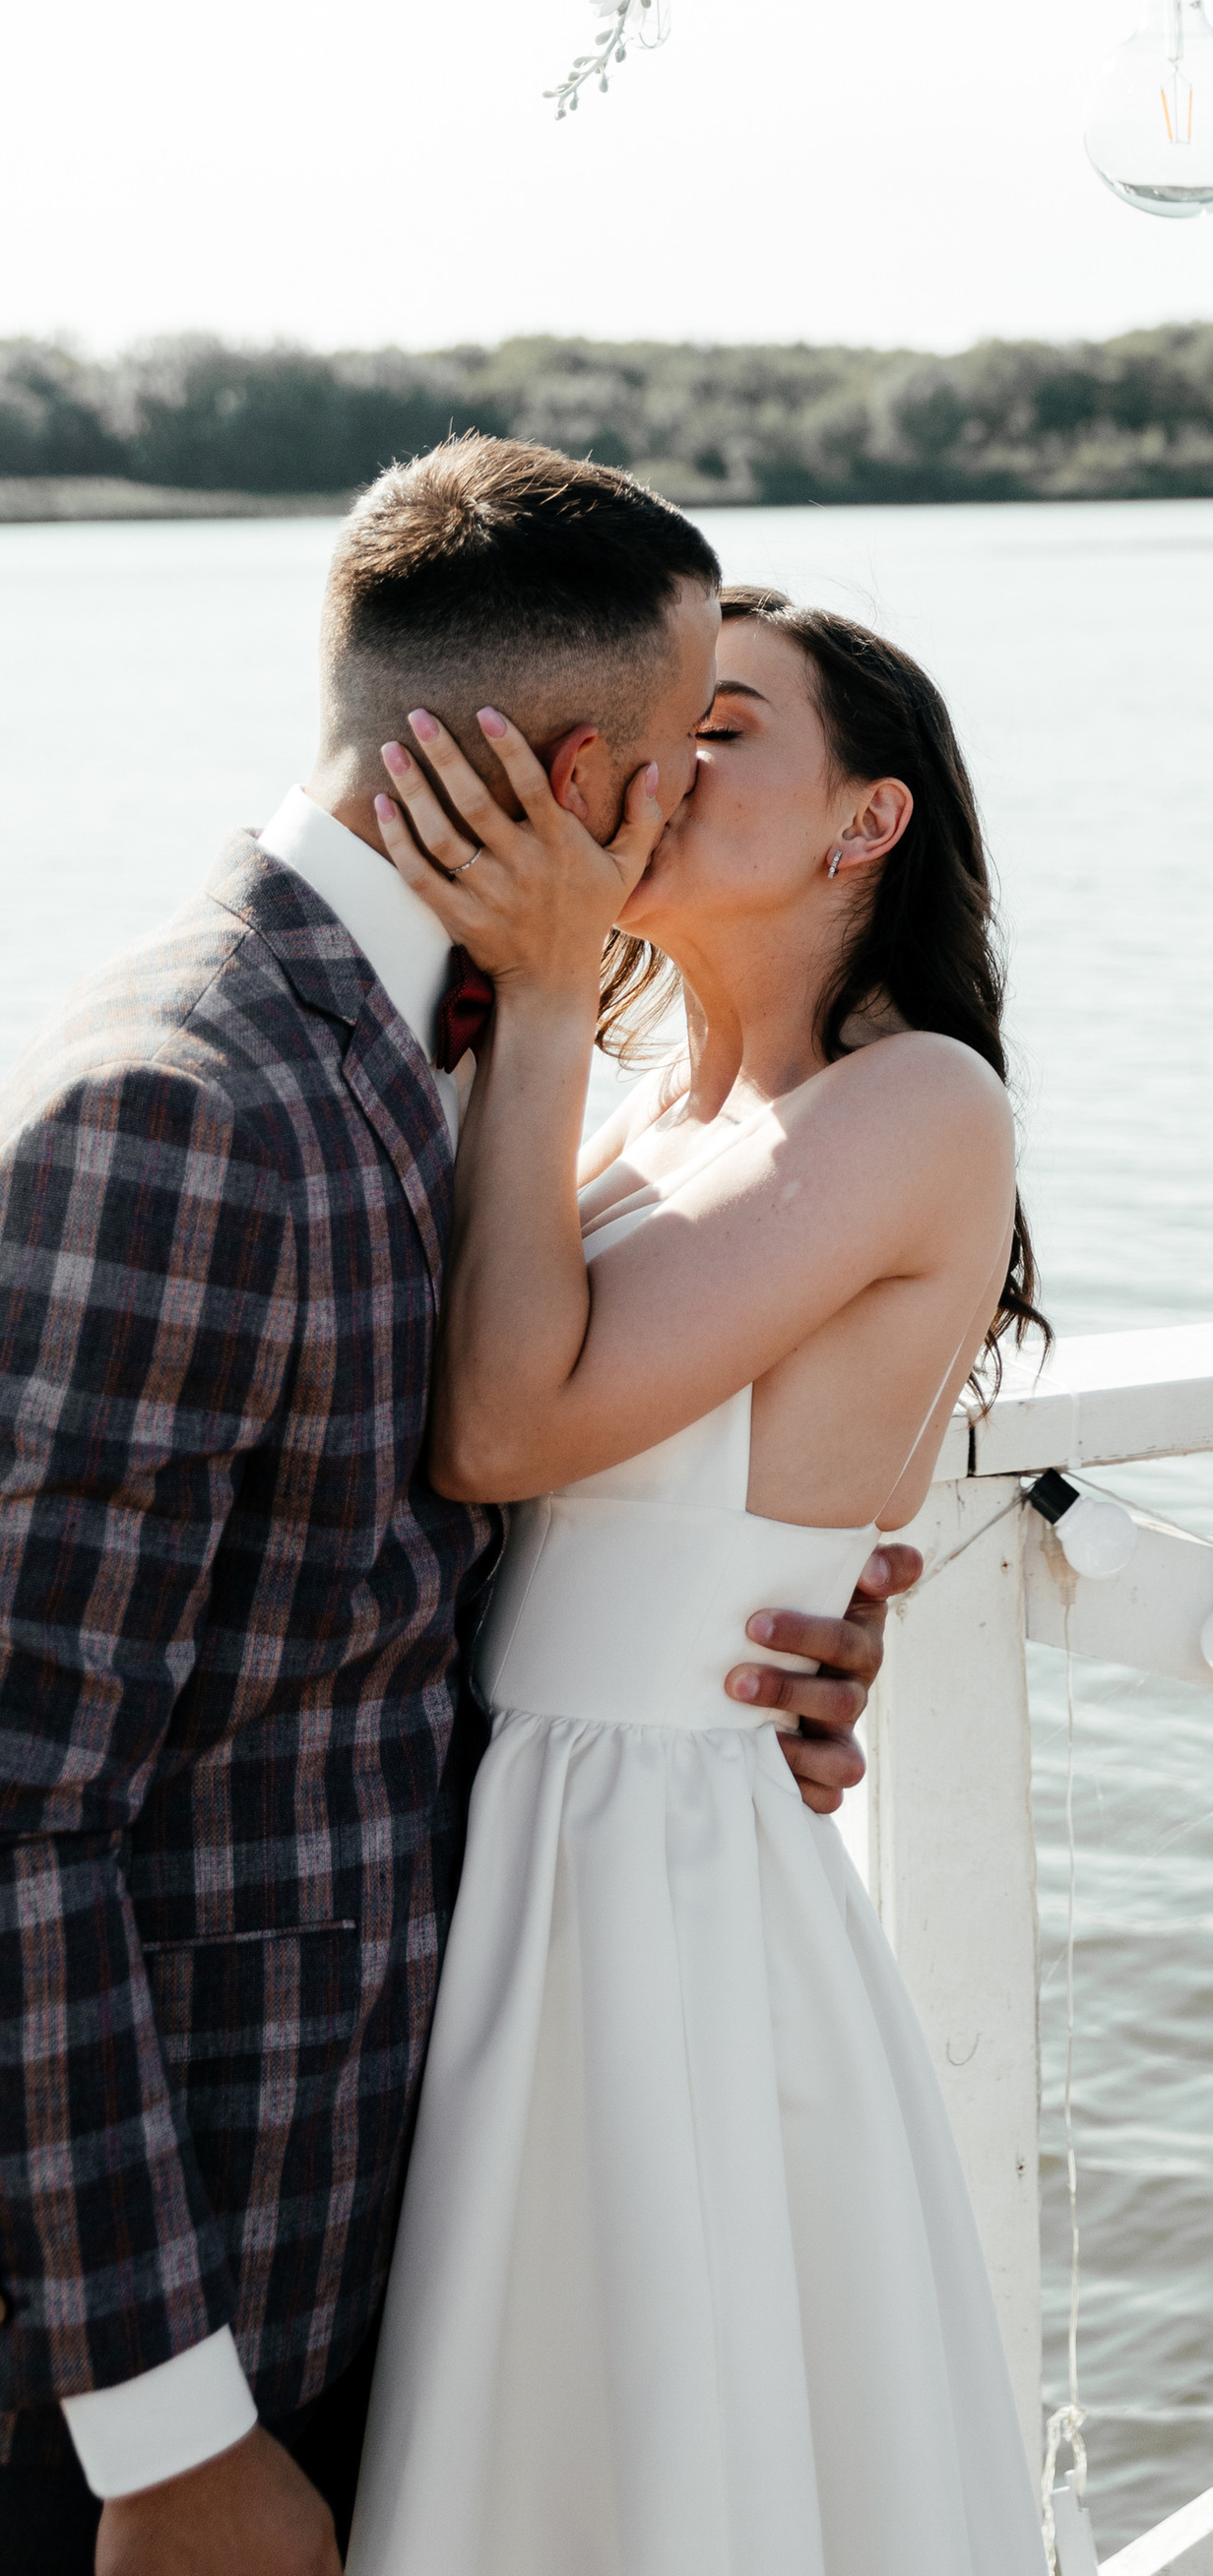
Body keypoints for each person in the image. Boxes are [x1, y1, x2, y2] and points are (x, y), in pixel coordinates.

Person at [0, 449, 915, 2576]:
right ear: (583, 769)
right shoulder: (178, 1103)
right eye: (685, 746)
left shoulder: (489, 1048)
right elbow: (20, 1803)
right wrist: (161, 2432)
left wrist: (755, 1617)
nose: (690, 795)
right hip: (173, 2317)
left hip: (430, 2209)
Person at [343, 588, 1044, 2576]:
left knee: (655, 2449)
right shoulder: (644, 1105)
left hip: (652, 1877)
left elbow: (498, 1433)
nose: (663, 763)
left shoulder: (915, 1106)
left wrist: (549, 992)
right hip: (509, 1836)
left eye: (724, 726)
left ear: (863, 825)